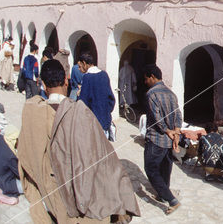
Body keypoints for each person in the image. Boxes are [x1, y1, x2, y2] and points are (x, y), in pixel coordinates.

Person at [17, 59, 139, 222]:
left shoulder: (33, 113)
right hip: (82, 196)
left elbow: (26, 157)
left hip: (53, 195)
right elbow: (105, 161)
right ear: (66, 81)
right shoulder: (82, 114)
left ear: (44, 86)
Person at [143, 63, 182, 215]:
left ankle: (171, 200)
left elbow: (156, 117)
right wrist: (176, 132)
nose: (145, 82)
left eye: (146, 79)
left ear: (152, 77)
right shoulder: (171, 93)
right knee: (165, 168)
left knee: (151, 168)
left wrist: (167, 131)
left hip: (157, 138)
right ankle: (161, 194)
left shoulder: (151, 94)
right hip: (169, 139)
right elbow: (178, 114)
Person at [78, 52, 116, 139]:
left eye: (80, 66)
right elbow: (111, 99)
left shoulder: (87, 78)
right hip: (105, 120)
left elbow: (83, 103)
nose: (79, 69)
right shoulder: (104, 74)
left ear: (84, 63)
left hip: (93, 123)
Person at [0, 127, 22, 205]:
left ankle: (1, 189)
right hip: (7, 183)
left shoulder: (0, 139)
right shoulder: (10, 156)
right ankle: (6, 194)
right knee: (28, 187)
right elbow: (20, 174)